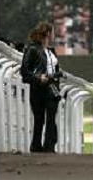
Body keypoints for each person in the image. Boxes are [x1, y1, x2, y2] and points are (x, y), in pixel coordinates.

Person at [20, 21, 62, 153]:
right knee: (39, 119)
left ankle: (49, 146)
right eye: (53, 32)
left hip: (51, 87)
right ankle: (36, 146)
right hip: (38, 88)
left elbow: (54, 68)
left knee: (51, 118)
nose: (55, 35)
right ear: (48, 34)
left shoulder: (51, 51)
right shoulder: (32, 49)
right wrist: (38, 78)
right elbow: (24, 71)